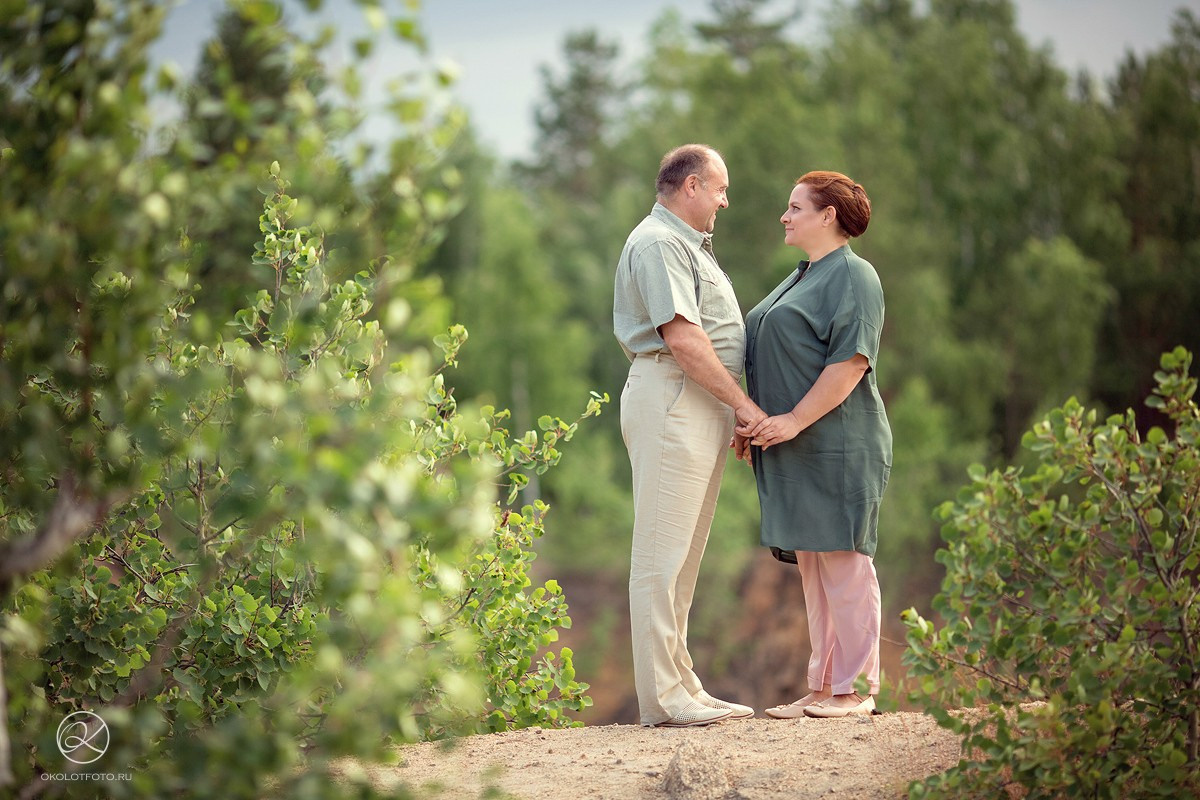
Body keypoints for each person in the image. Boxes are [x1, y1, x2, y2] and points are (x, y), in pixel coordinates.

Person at [613, 144, 767, 727]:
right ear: (694, 185)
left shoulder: (684, 245)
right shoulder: (658, 243)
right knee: (660, 555)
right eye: (722, 189)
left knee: (684, 556)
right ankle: (662, 699)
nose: (725, 202)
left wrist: (728, 412)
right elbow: (684, 340)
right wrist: (746, 408)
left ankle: (683, 684)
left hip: (697, 404)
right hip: (673, 397)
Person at [736, 171, 892, 719]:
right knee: (812, 564)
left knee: (845, 561)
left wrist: (793, 421)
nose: (785, 216)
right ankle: (825, 685)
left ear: (828, 216)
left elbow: (851, 364)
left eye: (795, 207)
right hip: (792, 440)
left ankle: (855, 690)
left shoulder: (854, 276)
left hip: (839, 441)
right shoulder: (802, 275)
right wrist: (758, 426)